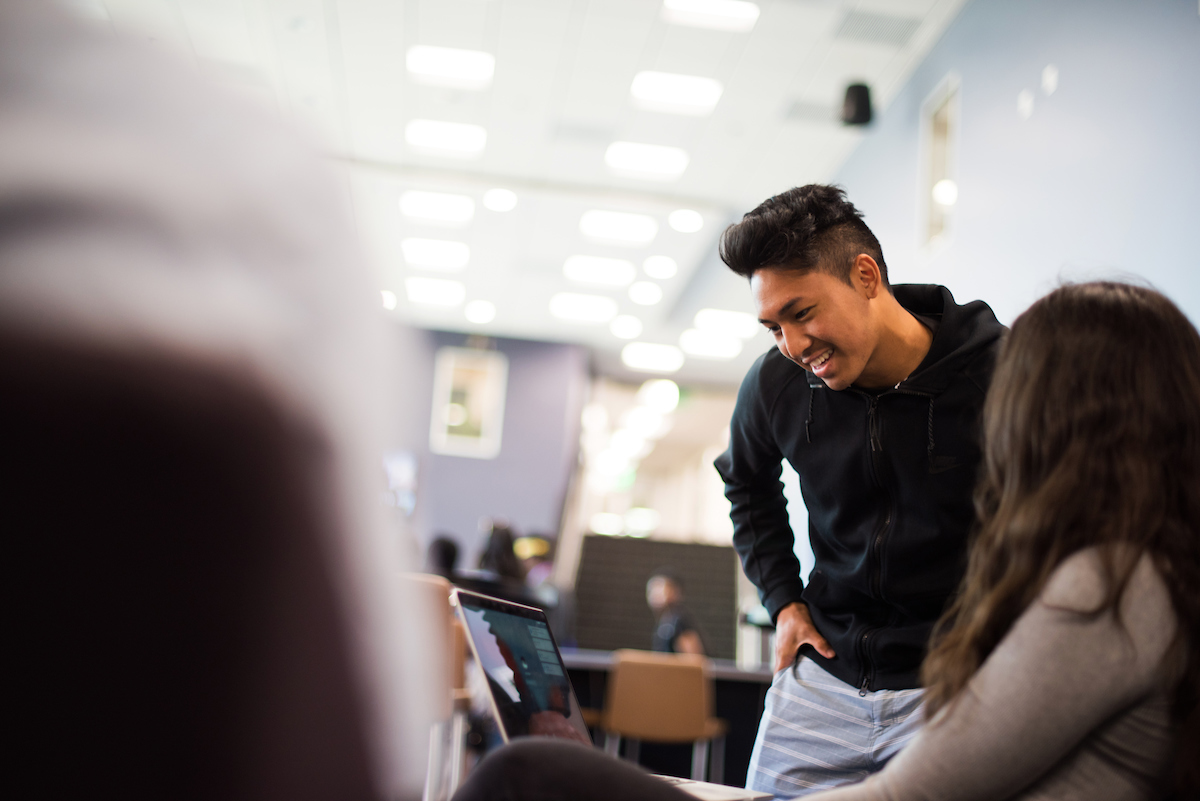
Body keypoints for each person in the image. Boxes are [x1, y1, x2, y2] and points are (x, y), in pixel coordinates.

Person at [449, 281, 1200, 801]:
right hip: (837, 694)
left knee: (525, 778)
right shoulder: (1145, 578)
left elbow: (913, 792)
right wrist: (785, 600)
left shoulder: (1108, 590)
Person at [713, 185, 1005, 795]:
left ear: (866, 276)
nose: (791, 346)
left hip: (954, 684)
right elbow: (745, 482)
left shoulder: (1000, 375)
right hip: (825, 679)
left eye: (802, 313)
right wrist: (785, 603)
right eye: (773, 327)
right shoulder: (776, 384)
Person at [645, 568, 705, 655]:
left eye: (659, 587)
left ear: (675, 592)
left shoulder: (679, 620)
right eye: (651, 589)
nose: (654, 593)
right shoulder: (665, 620)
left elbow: (693, 658)